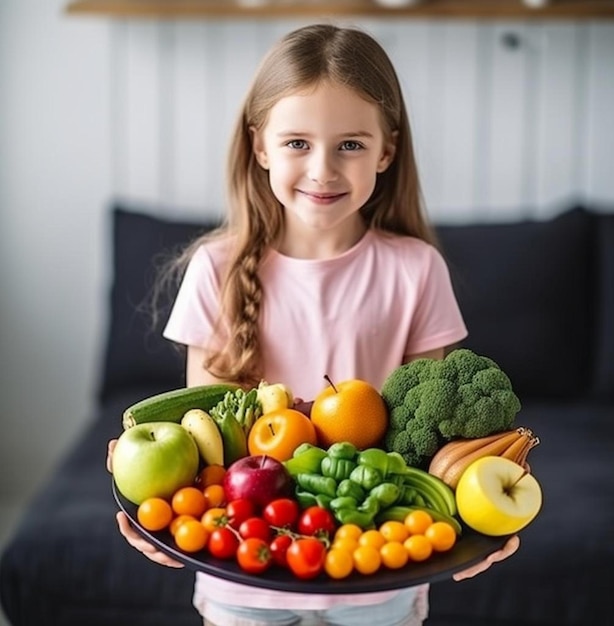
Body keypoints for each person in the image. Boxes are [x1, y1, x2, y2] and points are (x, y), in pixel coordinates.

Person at [107, 23, 520, 626]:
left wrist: (487, 517)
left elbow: (436, 434)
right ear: (260, 147)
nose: (323, 169)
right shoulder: (217, 269)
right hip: (245, 575)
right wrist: (158, 514)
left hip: (379, 573)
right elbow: (200, 442)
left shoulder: (415, 269)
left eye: (350, 144)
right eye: (297, 142)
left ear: (386, 150)